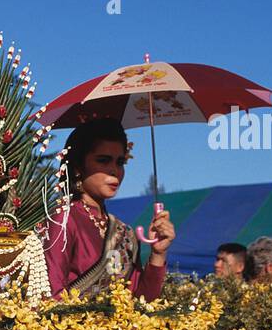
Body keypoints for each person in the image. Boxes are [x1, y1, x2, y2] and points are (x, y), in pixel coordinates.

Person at [43, 118, 175, 299]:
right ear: (78, 167)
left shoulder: (124, 233)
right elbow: (50, 299)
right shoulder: (63, 220)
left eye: (120, 162)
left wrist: (158, 254)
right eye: (103, 161)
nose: (114, 170)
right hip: (68, 326)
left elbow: (142, 305)